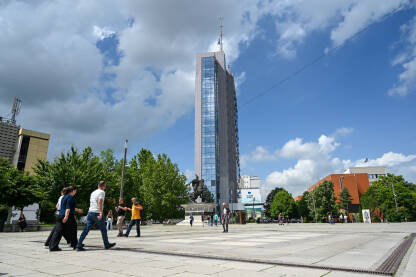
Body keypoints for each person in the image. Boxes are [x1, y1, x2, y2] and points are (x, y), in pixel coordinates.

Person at [76, 181, 116, 251]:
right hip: (97, 213)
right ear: (103, 186)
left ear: (98, 186)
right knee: (103, 229)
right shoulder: (102, 192)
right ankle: (106, 245)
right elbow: (100, 201)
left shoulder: (93, 192)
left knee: (86, 229)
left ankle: (79, 244)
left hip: (90, 212)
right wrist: (101, 213)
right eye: (105, 186)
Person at [49, 186, 83, 251]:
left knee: (58, 231)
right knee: (73, 230)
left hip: (60, 215)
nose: (75, 192)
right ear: (73, 191)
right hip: (68, 216)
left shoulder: (64, 197)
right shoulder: (70, 197)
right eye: (75, 191)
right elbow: (68, 208)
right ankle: (75, 245)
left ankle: (52, 246)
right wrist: (66, 216)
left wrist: (77, 210)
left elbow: (63, 207)